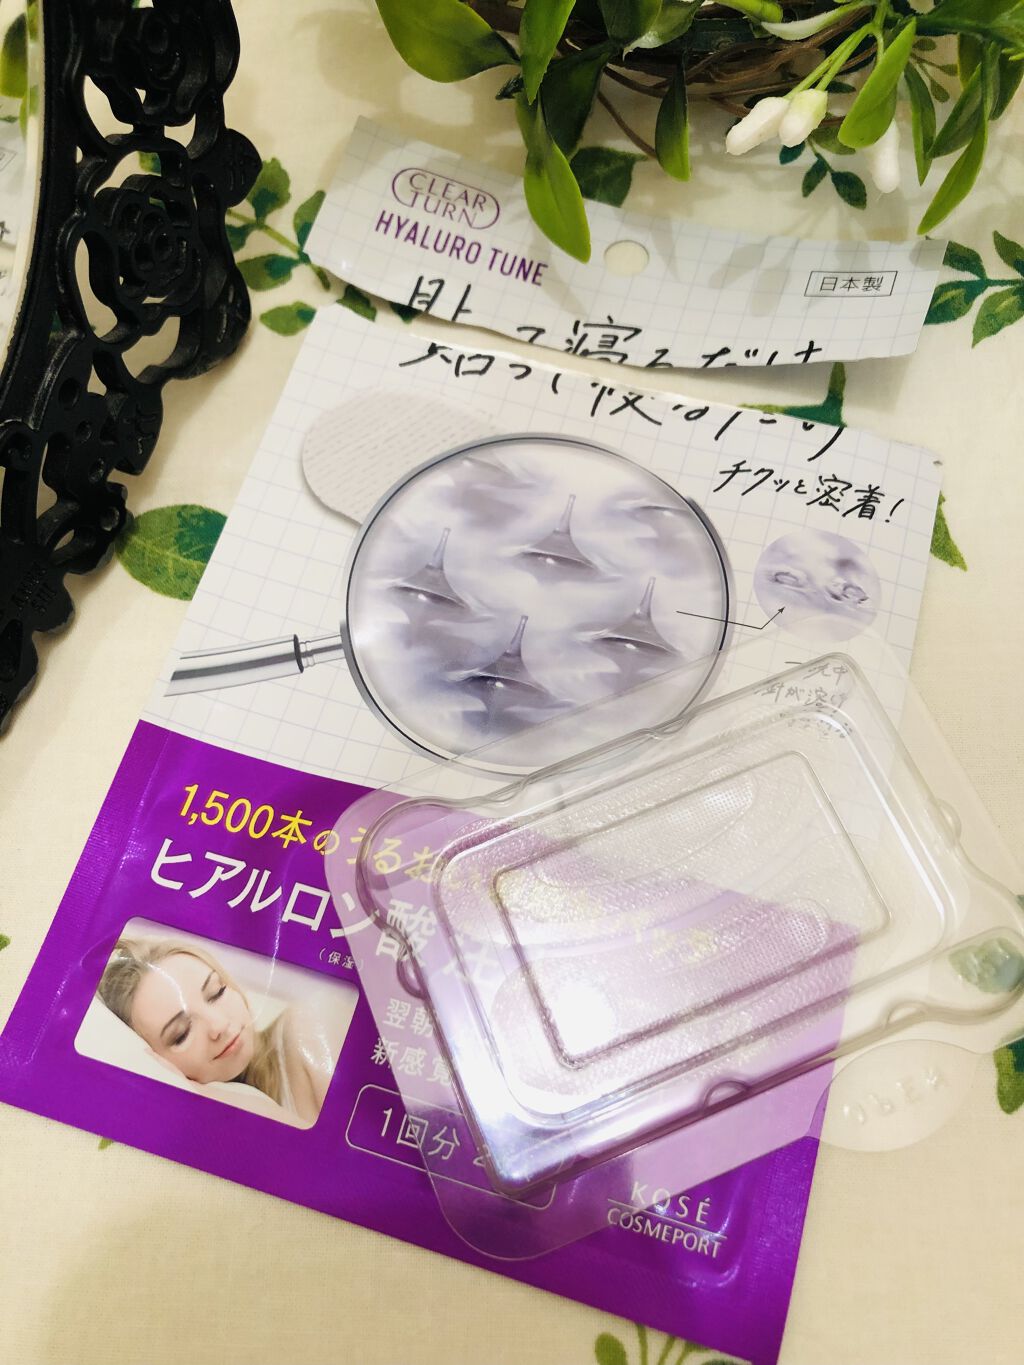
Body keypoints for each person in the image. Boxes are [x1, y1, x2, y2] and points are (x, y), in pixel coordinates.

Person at [97, 938, 333, 1125]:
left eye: (216, 992)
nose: (218, 1025)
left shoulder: (309, 1026)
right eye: (181, 1034)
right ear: (158, 1061)